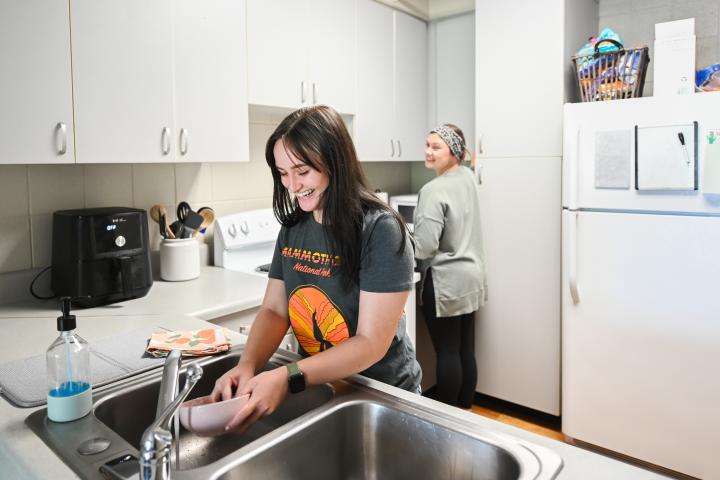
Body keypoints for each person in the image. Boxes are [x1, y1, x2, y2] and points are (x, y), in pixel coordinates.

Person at [211, 105, 421, 432]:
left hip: (383, 395)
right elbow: (274, 310)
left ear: (335, 162)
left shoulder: (380, 229)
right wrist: (247, 365)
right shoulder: (294, 228)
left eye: (302, 171)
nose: (292, 185)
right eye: (282, 173)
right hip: (325, 388)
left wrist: (288, 375)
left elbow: (370, 342)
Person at [413, 124, 487, 409]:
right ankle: (465, 408)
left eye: (436, 147)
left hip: (446, 281)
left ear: (454, 152)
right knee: (464, 349)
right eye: (427, 144)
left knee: (447, 352)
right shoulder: (468, 177)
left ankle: (447, 417)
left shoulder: (432, 190)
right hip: (472, 276)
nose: (428, 152)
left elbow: (424, 247)